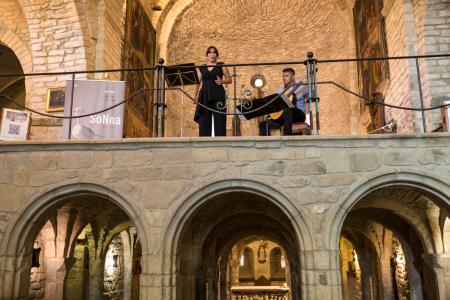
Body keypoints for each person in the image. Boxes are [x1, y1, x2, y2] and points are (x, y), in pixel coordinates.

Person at [194, 46, 232, 136]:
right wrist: (195, 96)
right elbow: (198, 83)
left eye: (214, 52)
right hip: (204, 96)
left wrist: (222, 81)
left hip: (218, 96)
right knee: (204, 123)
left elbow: (229, 79)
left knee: (220, 122)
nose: (212, 55)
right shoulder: (201, 68)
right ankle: (203, 146)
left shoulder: (221, 65)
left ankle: (221, 145)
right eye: (210, 53)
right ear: (207, 55)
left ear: (217, 55)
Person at [259, 68, 307, 136]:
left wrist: (308, 84)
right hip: (284, 117)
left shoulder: (301, 87)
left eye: (286, 76)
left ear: (293, 77)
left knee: (287, 109)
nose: (284, 78)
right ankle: (269, 145)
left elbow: (312, 95)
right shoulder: (279, 91)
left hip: (298, 115)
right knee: (263, 124)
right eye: (283, 76)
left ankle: (286, 138)